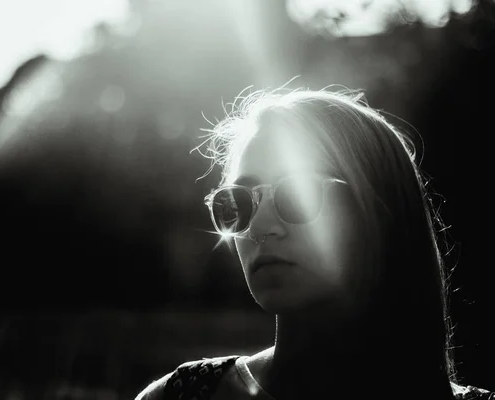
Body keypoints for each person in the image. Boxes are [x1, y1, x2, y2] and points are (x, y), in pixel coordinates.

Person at [135, 84, 493, 400]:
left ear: (381, 214)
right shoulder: (182, 395)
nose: (259, 227)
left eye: (300, 193)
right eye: (238, 203)